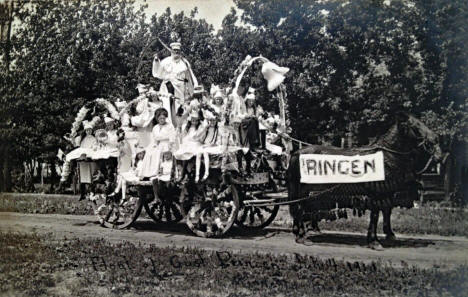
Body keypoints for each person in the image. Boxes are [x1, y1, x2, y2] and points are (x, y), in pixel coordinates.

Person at [139, 108, 176, 180]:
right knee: (149, 152)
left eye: (163, 118)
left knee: (160, 152)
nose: (162, 120)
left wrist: (170, 145)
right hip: (158, 144)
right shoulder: (155, 127)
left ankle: (158, 172)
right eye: (160, 118)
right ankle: (147, 173)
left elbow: (172, 137)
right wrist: (154, 146)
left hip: (167, 144)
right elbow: (154, 139)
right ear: (157, 118)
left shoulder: (170, 126)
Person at [174, 110, 206, 182]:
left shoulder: (200, 127)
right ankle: (181, 172)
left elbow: (199, 137)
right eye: (193, 120)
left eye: (196, 121)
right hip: (188, 143)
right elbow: (184, 136)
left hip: (196, 143)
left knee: (188, 154)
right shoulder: (188, 127)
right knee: (178, 153)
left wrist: (194, 139)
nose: (194, 122)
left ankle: (183, 173)